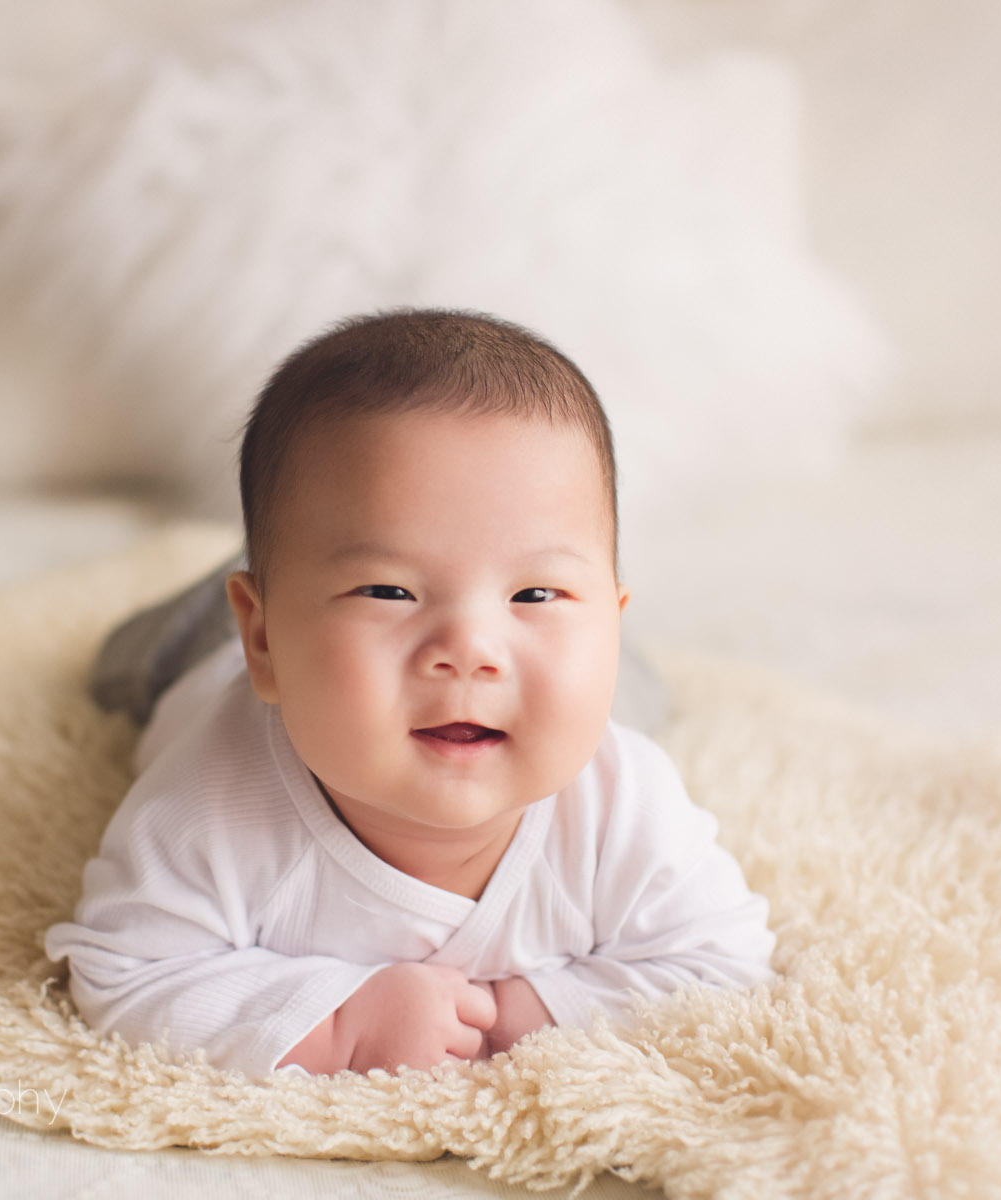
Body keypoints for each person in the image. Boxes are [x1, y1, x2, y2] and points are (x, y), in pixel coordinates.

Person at [45, 309, 774, 1077]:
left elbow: (722, 967)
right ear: (265, 639)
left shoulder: (625, 807)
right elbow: (126, 974)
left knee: (631, 700)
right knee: (126, 667)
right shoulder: (208, 810)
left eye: (535, 593)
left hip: (572, 683)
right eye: (389, 590)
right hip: (200, 655)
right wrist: (339, 1028)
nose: (467, 651)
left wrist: (536, 1012)